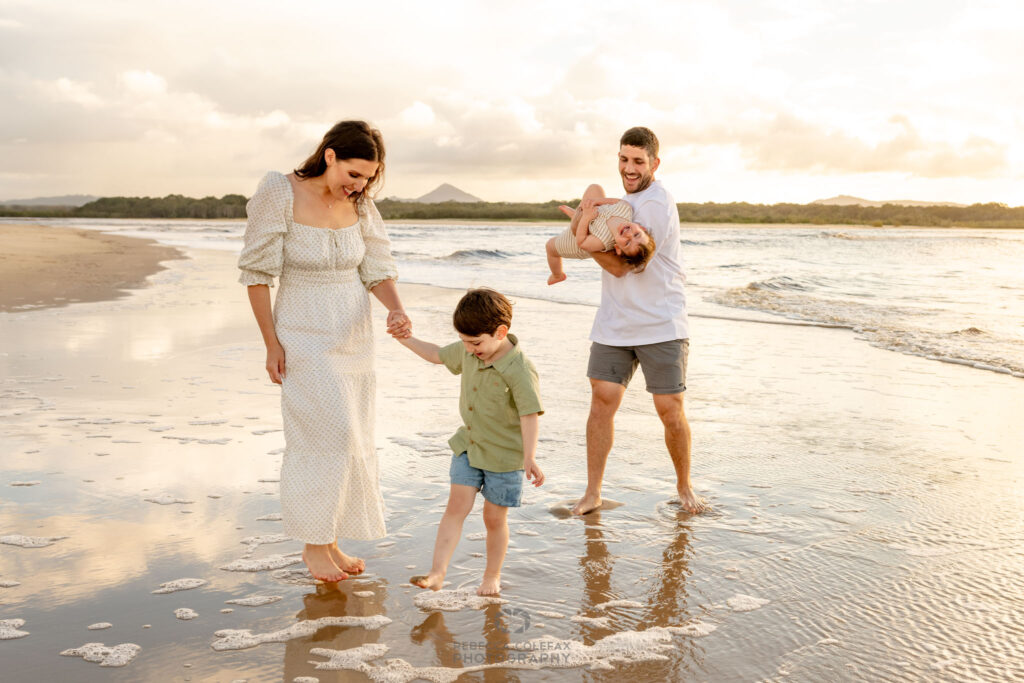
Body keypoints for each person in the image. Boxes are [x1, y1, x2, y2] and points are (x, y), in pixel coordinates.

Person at [237, 120, 412, 582]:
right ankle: (313, 546)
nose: (359, 186)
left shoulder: (363, 206)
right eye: (353, 174)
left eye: (368, 179)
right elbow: (257, 275)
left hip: (354, 338)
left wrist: (396, 310)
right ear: (330, 155)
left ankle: (329, 538)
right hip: (303, 333)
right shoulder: (280, 190)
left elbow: (376, 268)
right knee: (324, 438)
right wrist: (271, 343)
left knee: (350, 437)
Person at [572, 126, 706, 516]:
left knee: (669, 408)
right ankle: (593, 492)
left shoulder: (656, 203)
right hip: (614, 322)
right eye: (623, 159)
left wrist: (585, 237)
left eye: (638, 162)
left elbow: (623, 265)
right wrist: (584, 222)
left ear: (654, 164)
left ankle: (684, 487)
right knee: (602, 401)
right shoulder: (621, 203)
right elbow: (593, 225)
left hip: (661, 322)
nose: (629, 169)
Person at [396, 289, 544, 595]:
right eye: (464, 342)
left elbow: (530, 414)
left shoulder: (520, 369)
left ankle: (492, 576)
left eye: (475, 343)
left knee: (493, 518)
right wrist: (405, 338)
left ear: (501, 332)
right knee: (456, 507)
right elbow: (437, 355)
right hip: (469, 445)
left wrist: (530, 457)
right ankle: (437, 573)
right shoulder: (469, 350)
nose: (469, 349)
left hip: (505, 457)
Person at [545, 194, 655, 285]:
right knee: (595, 186)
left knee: (550, 246)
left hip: (575, 240)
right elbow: (617, 201)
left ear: (618, 248)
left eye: (627, 243)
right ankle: (575, 216)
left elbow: (581, 242)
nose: (629, 235)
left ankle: (557, 275)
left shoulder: (602, 240)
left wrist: (586, 216)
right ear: (641, 228)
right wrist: (595, 201)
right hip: (590, 220)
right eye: (636, 235)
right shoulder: (626, 208)